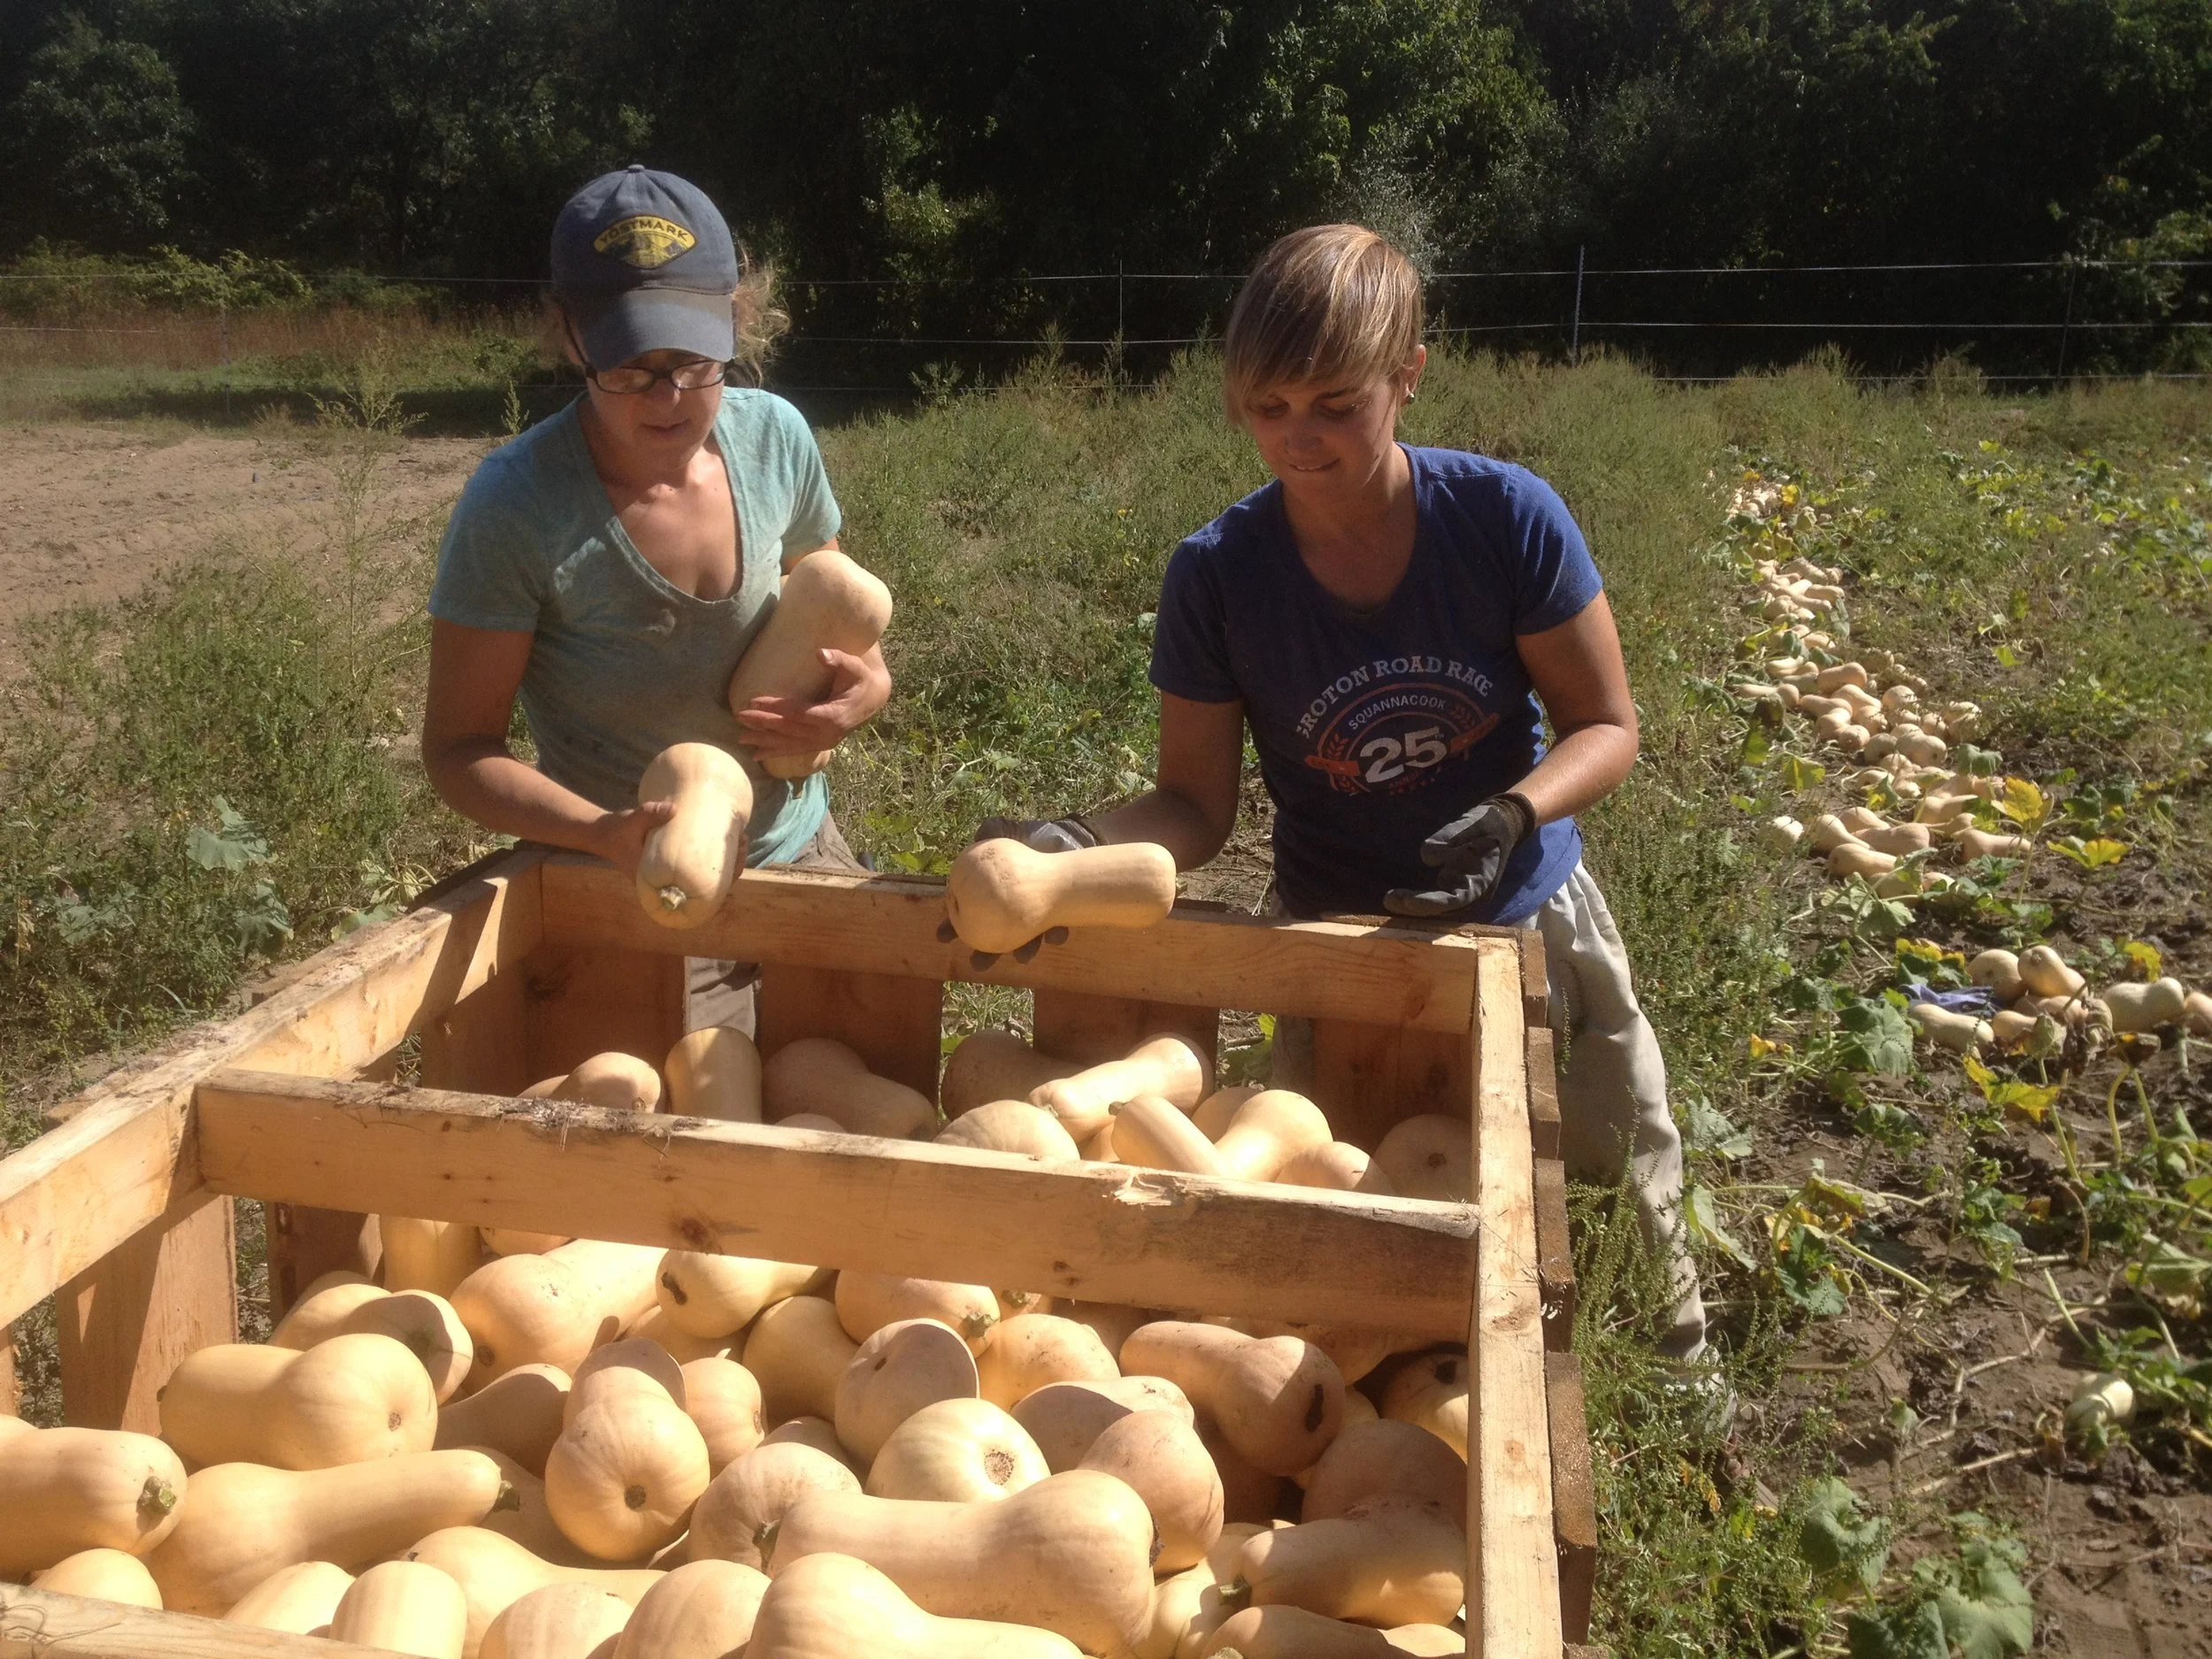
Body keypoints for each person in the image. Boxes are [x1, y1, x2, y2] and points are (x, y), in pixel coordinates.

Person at [979, 224, 1707, 1359]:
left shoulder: (1503, 518)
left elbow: (1606, 727)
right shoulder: (1219, 576)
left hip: (1527, 918)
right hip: (1341, 948)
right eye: (1268, 407)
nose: (1298, 439)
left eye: (1334, 402)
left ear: (1408, 373)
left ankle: (1670, 1386)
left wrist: (1515, 811)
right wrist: (1061, 849)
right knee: (1364, 1229)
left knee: (1616, 1184)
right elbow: (1193, 807)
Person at [422, 166, 889, 1032]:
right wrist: (604, 831)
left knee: (856, 1112)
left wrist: (865, 693)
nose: (668, 397)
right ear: (571, 336)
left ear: (737, 319)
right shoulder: (516, 505)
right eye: (631, 369)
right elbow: (458, 750)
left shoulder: (776, 439)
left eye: (692, 362)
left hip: (802, 861)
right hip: (630, 894)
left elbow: (836, 610)